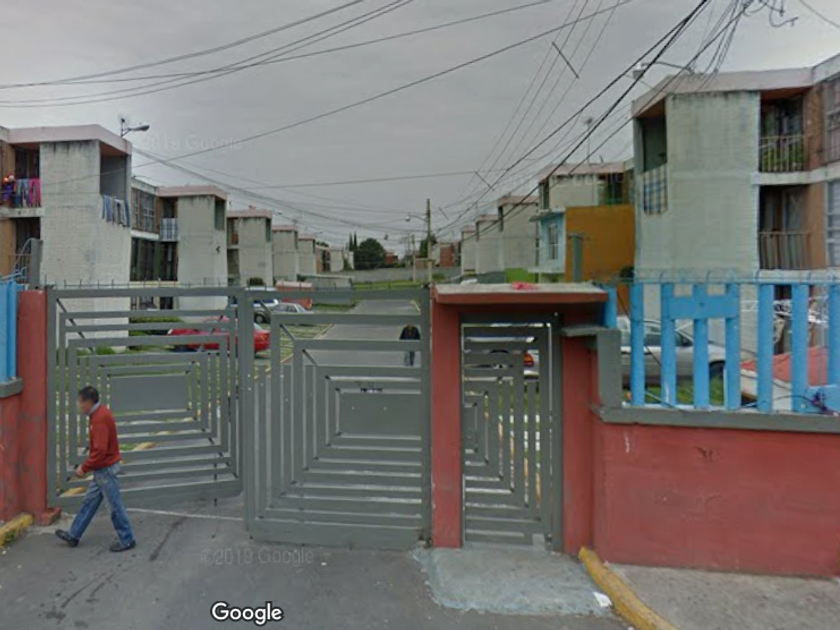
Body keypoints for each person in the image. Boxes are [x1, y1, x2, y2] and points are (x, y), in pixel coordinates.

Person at [55, 386, 136, 553]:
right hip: (102, 470)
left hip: (105, 470)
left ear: (88, 402)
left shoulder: (99, 419)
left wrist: (84, 468)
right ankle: (74, 535)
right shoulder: (99, 413)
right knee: (89, 502)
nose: (79, 405)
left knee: (114, 506)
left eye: (80, 402)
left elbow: (100, 451)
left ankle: (127, 539)